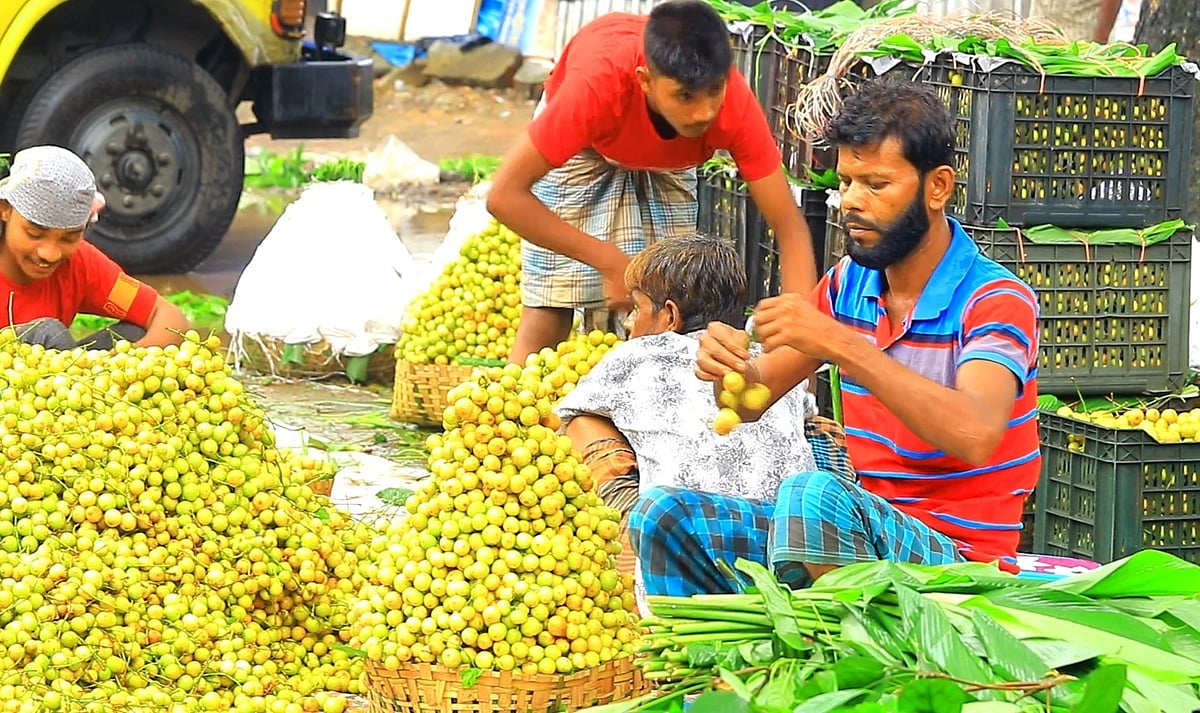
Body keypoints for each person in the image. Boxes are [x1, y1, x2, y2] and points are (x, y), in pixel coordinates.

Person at [628, 79, 1042, 596]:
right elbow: (751, 401)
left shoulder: (996, 300)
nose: (851, 202)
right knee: (663, 514)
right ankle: (718, 668)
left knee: (813, 494)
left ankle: (833, 656)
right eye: (845, 182)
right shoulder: (850, 282)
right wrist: (729, 368)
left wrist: (844, 345)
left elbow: (977, 434)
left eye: (876, 184)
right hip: (862, 533)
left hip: (959, 558)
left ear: (937, 187)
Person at [486, 0, 818, 365]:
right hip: (586, 144)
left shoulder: (731, 106)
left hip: (668, 157)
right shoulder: (596, 87)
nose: (704, 112)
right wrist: (609, 261)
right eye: (685, 96)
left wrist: (794, 347)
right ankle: (508, 410)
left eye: (714, 91)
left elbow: (790, 229)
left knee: (671, 308)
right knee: (552, 304)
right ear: (645, 81)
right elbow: (504, 197)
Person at [555, 233, 853, 579]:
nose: (628, 322)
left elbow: (560, 417)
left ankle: (625, 542)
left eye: (636, 308)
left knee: (580, 422)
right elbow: (806, 415)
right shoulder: (767, 366)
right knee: (817, 430)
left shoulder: (635, 356)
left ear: (669, 316)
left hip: (686, 544)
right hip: (787, 545)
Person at [0, 145, 191, 350]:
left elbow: (168, 317)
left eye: (68, 238)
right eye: (34, 234)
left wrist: (127, 365)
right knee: (48, 334)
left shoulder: (81, 264)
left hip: (60, 376)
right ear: (5, 210)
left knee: (136, 334)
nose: (50, 254)